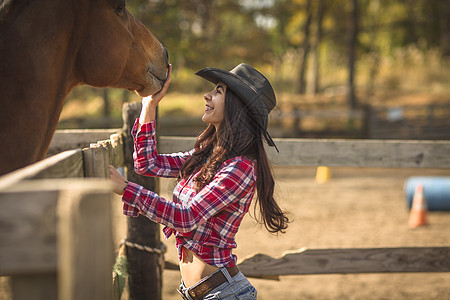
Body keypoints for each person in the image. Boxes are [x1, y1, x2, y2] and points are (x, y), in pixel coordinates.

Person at [109, 63, 289, 300]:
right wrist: (149, 105)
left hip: (224, 294)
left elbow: (187, 217)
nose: (207, 95)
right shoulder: (209, 153)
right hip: (197, 293)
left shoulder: (240, 168)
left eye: (218, 91)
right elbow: (148, 164)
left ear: (237, 108)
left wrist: (126, 189)